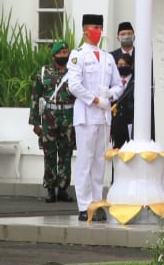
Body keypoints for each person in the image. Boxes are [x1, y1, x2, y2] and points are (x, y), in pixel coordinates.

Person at [66, 13, 123, 221]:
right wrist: (96, 100)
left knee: (99, 162)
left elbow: (118, 84)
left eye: (100, 27)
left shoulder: (107, 57)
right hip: (86, 115)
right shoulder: (78, 55)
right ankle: (84, 205)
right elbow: (74, 86)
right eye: (93, 27)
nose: (97, 31)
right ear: (84, 30)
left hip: (104, 117)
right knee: (85, 161)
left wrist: (110, 95)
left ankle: (97, 202)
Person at [29, 41, 75, 203]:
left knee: (66, 154)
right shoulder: (44, 72)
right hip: (49, 116)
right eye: (61, 53)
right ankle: (50, 189)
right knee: (49, 153)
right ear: (54, 55)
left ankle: (63, 189)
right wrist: (35, 122)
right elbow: (36, 97)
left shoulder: (74, 72)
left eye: (66, 53)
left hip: (68, 116)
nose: (64, 56)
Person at [111, 55, 135, 149]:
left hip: (130, 121)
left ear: (130, 65)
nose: (122, 67)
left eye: (124, 64)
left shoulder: (135, 81)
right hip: (117, 124)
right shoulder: (113, 82)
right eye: (119, 65)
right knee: (117, 152)